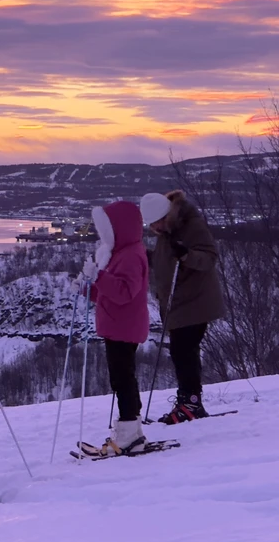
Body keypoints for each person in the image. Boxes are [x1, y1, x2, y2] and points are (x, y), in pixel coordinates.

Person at [140, 190, 225, 423]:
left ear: (166, 215)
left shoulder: (191, 226)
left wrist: (187, 255)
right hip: (176, 302)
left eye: (157, 222)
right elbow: (164, 260)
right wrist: (143, 256)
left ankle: (190, 404)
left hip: (195, 300)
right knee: (183, 352)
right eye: (152, 224)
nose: (155, 227)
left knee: (182, 351)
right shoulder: (167, 231)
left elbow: (209, 258)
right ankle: (190, 402)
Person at [73, 201, 150, 454]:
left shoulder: (131, 255)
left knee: (122, 379)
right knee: (123, 378)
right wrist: (87, 289)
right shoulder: (122, 253)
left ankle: (128, 435)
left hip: (123, 328)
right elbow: (110, 295)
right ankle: (132, 432)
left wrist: (99, 277)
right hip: (119, 325)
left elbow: (125, 292)